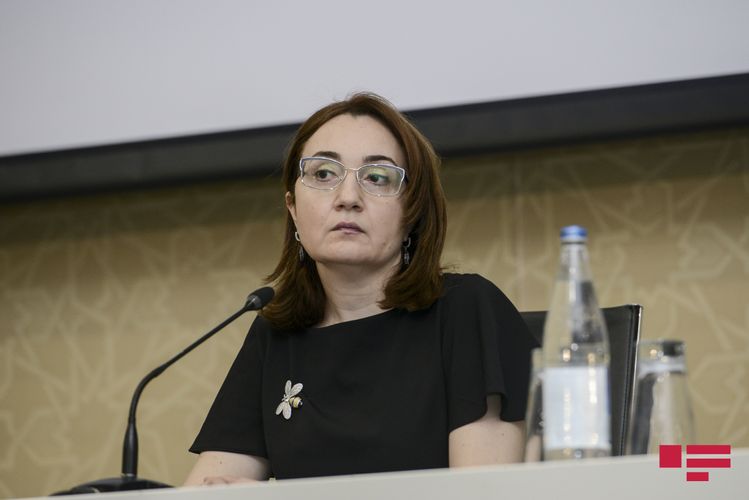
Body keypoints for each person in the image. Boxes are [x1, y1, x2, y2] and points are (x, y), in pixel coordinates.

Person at [184, 92, 537, 485]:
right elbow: (210, 489)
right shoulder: (275, 335)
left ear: (412, 213)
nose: (348, 198)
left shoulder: (466, 311)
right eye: (323, 174)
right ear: (292, 208)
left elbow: (482, 492)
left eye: (377, 178)